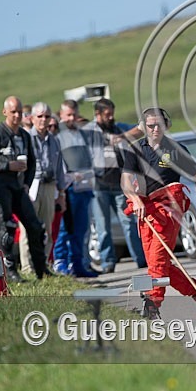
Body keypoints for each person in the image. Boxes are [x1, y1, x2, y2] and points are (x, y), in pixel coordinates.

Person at [120, 107, 196, 318]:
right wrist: (135, 199)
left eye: (159, 125)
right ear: (143, 127)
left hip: (169, 209)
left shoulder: (176, 149)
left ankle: (153, 304)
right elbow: (126, 181)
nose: (155, 129)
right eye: (151, 126)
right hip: (145, 210)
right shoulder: (135, 150)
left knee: (158, 260)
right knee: (160, 263)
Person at [0, 96, 48, 281]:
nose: (17, 115)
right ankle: (10, 271)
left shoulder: (24, 135)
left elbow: (32, 163)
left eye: (19, 112)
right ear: (5, 112)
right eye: (13, 112)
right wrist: (7, 166)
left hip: (18, 186)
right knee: (7, 226)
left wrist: (27, 183)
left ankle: (42, 269)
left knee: (34, 225)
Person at [84, 98, 146, 273]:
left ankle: (141, 259)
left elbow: (141, 129)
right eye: (106, 114)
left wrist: (122, 137)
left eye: (112, 113)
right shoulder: (89, 132)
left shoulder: (118, 128)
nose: (111, 117)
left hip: (120, 186)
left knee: (129, 223)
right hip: (98, 186)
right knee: (103, 226)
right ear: (97, 114)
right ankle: (107, 263)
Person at [19, 102, 67, 275]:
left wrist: (61, 194)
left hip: (49, 185)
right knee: (27, 228)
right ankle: (27, 268)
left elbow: (59, 168)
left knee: (47, 229)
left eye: (47, 116)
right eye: (39, 116)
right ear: (32, 118)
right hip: (31, 185)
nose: (43, 120)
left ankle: (44, 265)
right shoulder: (25, 138)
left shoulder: (54, 140)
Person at [52, 99, 98, 277]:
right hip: (68, 187)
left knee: (81, 228)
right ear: (61, 115)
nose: (72, 118)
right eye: (68, 115)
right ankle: (61, 262)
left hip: (85, 187)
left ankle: (78, 264)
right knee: (65, 228)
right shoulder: (57, 134)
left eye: (74, 114)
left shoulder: (81, 133)